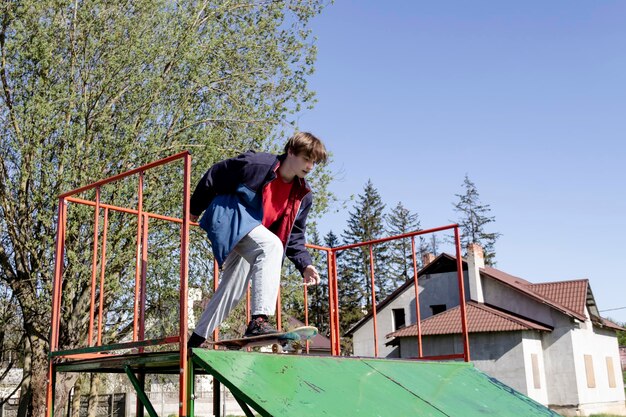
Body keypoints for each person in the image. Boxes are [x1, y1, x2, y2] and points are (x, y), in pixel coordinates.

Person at [187, 132, 328, 347]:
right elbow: (216, 174)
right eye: (306, 159)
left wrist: (305, 264)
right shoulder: (256, 164)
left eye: (314, 162)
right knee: (272, 245)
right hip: (230, 216)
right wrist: (194, 207)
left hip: (253, 233)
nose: (310, 166)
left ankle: (195, 340)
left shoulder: (302, 195)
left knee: (233, 289)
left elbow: (295, 234)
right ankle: (259, 321)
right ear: (290, 152)